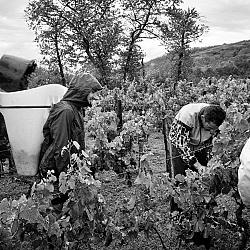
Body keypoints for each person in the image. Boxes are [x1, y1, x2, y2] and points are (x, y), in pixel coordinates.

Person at [38, 72, 103, 179]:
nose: (96, 97)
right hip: (55, 171)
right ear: (82, 91)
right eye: (93, 92)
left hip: (66, 168)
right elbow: (61, 148)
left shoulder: (76, 109)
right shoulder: (65, 111)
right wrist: (68, 177)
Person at [168, 103, 226, 177]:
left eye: (214, 129)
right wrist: (197, 165)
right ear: (203, 118)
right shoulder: (187, 116)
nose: (212, 132)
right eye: (209, 128)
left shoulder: (217, 117)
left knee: (203, 174)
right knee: (180, 175)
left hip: (201, 143)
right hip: (180, 143)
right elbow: (181, 145)